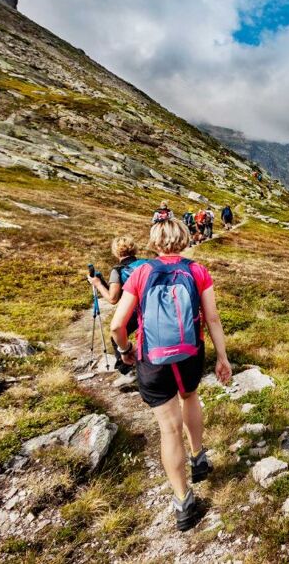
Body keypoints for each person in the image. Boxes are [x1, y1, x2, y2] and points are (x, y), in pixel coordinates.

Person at [110, 215, 231, 531]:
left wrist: (125, 352)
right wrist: (222, 357)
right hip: (190, 354)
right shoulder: (197, 271)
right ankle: (198, 457)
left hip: (152, 360)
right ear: (185, 239)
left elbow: (117, 325)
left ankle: (183, 503)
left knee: (168, 429)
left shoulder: (141, 273)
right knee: (190, 398)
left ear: (153, 243)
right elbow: (213, 319)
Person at [88, 236, 147, 374]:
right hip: (154, 308)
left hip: (137, 310)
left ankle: (126, 370)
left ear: (115, 252)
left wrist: (97, 283)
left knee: (117, 337)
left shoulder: (118, 270)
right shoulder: (146, 263)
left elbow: (113, 298)